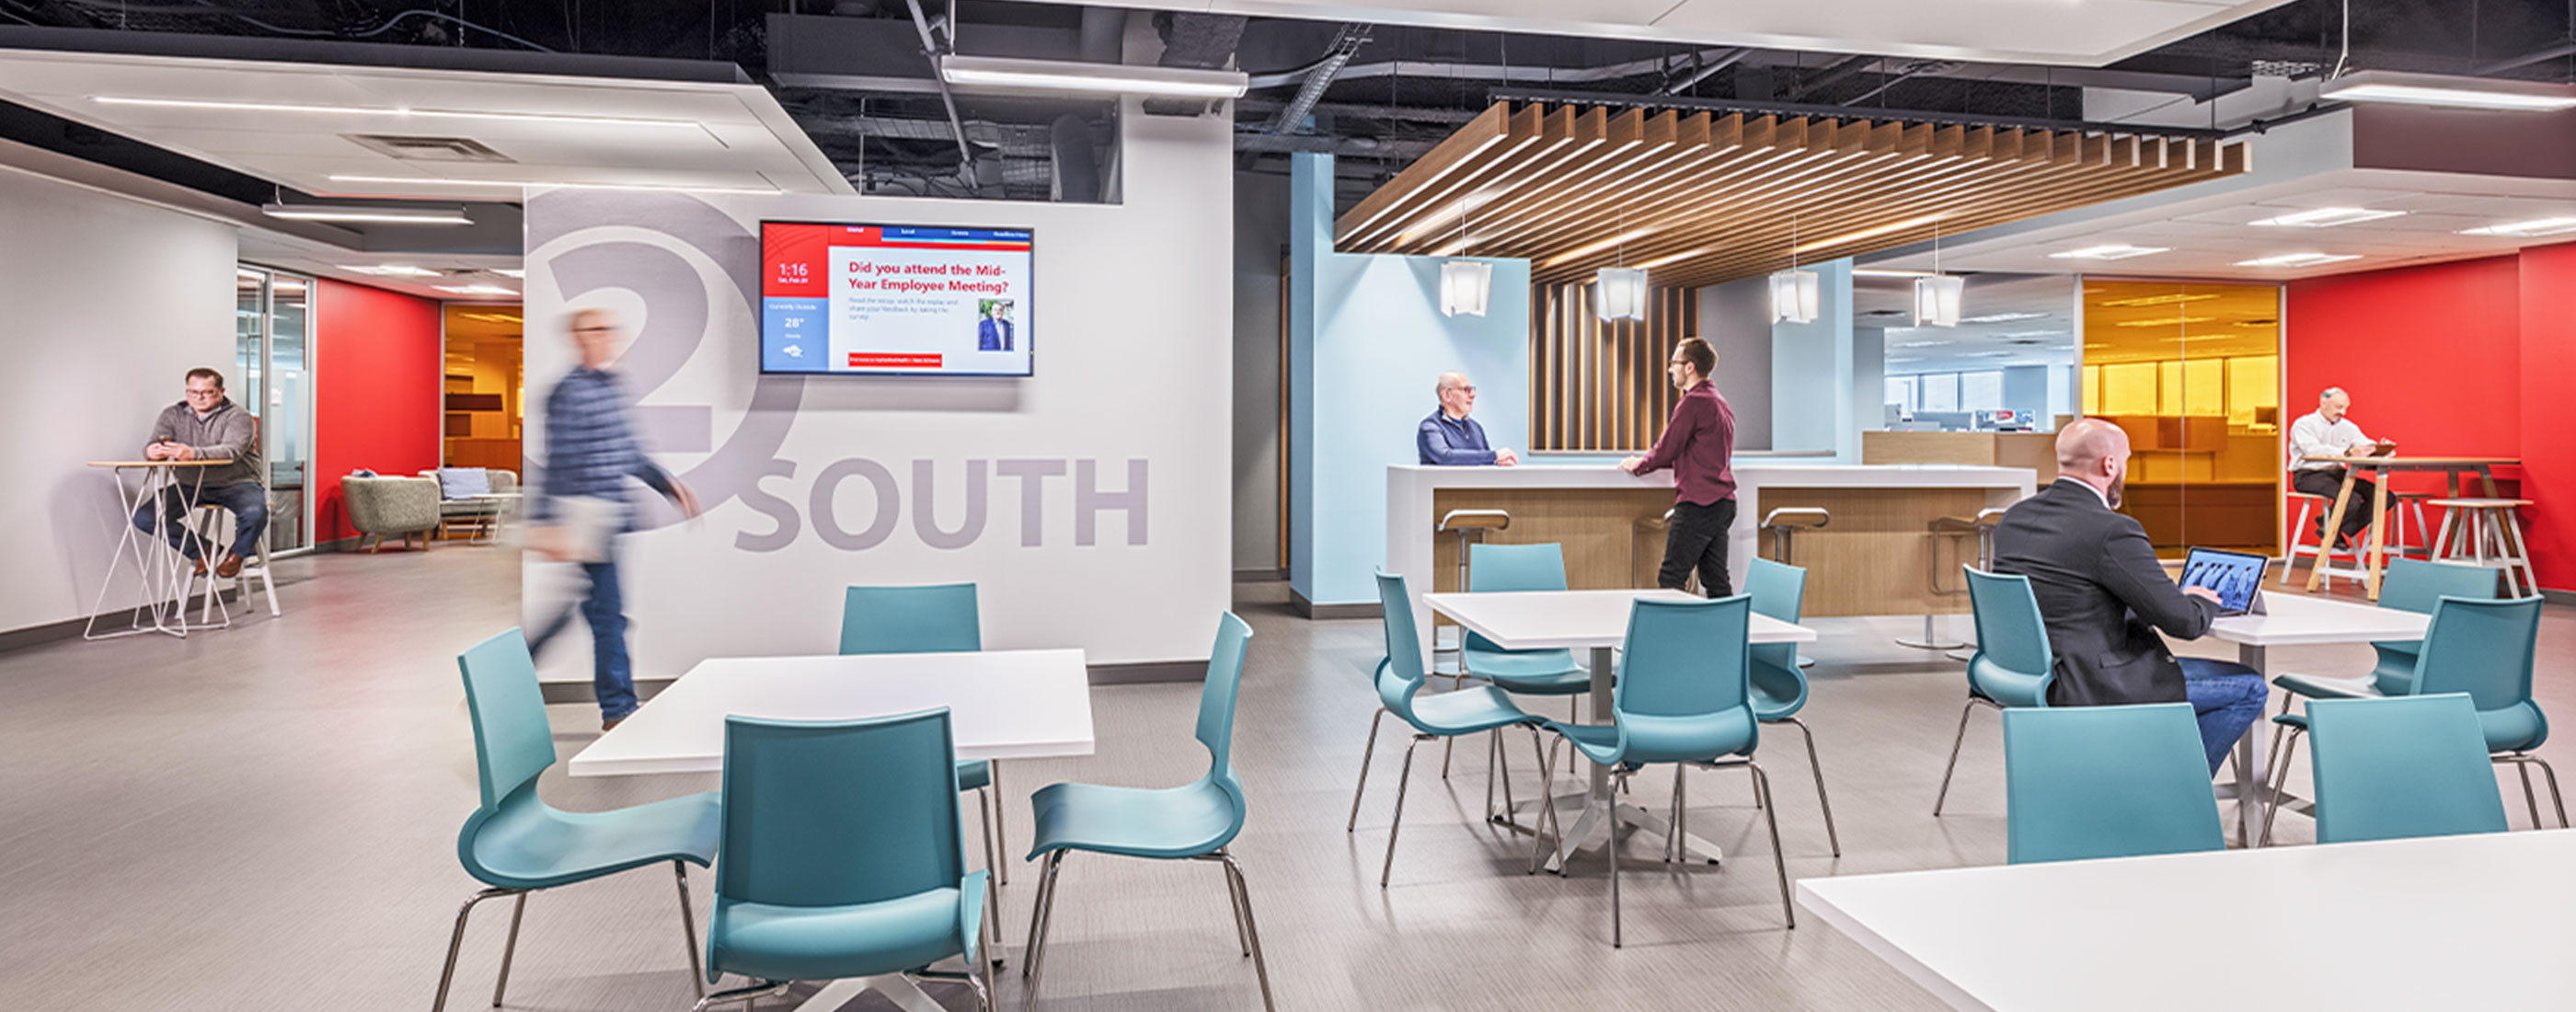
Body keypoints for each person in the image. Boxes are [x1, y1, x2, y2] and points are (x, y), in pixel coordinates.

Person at [1992, 418, 2267, 774]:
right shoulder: (2112, 530)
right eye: (2126, 461)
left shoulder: (2016, 516)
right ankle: (2177, 795)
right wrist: (2203, 599)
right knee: (2249, 687)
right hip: (2091, 682)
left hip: (2027, 673)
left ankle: (2147, 780)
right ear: (2110, 465)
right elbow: (2185, 623)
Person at [527, 308, 701, 731]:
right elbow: (559, 460)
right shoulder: (567, 391)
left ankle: (514, 672)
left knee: (594, 609)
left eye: (609, 330)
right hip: (586, 517)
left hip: (614, 516)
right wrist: (549, 521)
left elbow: (627, 452)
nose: (606, 337)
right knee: (608, 614)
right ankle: (618, 709)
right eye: (596, 330)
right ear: (577, 337)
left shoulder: (613, 385)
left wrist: (667, 484)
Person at [1621, 338, 1737, 596]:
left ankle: (1677, 636)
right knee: (1716, 579)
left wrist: (1638, 465)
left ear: (1690, 367)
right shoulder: (1720, 402)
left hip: (1699, 504)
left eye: (1674, 362)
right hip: (1723, 503)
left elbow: (1667, 449)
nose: (1670, 368)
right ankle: (1725, 634)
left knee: (1672, 578)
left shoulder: (1693, 402)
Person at [135, 367, 266, 578]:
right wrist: (151, 451)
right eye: (192, 392)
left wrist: (192, 454)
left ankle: (238, 554)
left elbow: (231, 451)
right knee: (145, 517)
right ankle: (202, 550)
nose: (199, 397)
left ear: (221, 391)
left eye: (207, 392)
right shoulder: (172, 414)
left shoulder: (239, 417)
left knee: (255, 514)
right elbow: (155, 442)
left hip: (236, 482)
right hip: (190, 484)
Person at [2288, 386, 2397, 548]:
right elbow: (2312, 450)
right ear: (2323, 402)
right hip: (2308, 475)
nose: (2343, 412)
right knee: (2350, 499)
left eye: (2346, 408)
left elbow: (2363, 444)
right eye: (2339, 407)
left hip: (2338, 474)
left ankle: (2331, 526)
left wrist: (2379, 449)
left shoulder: (2347, 426)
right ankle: (2331, 526)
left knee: (2386, 497)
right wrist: (2347, 452)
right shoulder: (2304, 424)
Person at [1418, 372, 1518, 466]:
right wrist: (1494, 455)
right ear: (1447, 395)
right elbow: (1445, 457)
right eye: (1466, 390)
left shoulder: (1476, 427)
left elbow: (1484, 462)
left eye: (1472, 390)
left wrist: (1498, 463)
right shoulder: (1430, 426)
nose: (1473, 395)